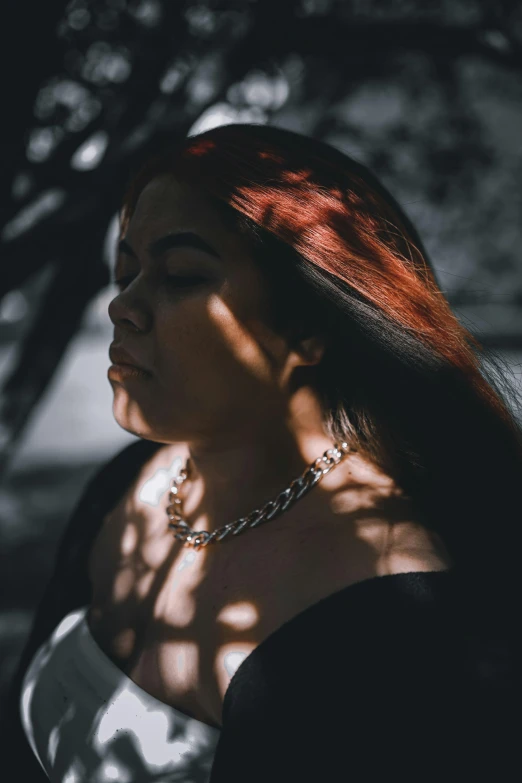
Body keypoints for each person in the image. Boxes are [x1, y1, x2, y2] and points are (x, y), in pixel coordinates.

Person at [4, 123, 521, 782]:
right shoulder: (126, 486)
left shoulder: (397, 629)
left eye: (182, 275)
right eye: (126, 269)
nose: (122, 306)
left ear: (309, 325)